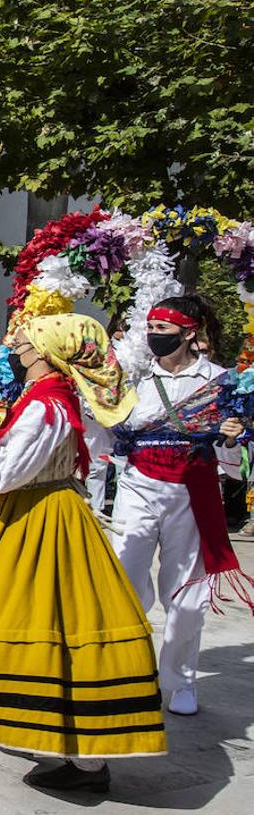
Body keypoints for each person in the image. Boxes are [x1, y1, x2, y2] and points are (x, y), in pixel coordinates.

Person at [0, 313, 164, 792]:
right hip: (37, 511)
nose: (18, 349)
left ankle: (82, 755)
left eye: (26, 342)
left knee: (46, 619)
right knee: (52, 618)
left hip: (40, 518)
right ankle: (57, 739)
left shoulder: (47, 406)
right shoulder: (43, 399)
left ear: (48, 352)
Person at [108, 296, 251, 717]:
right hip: (137, 484)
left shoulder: (222, 381)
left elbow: (235, 454)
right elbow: (112, 428)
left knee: (187, 595)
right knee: (125, 577)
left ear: (190, 333)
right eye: (150, 327)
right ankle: (127, 673)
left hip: (192, 490)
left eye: (164, 330)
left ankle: (180, 680)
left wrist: (230, 437)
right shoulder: (133, 376)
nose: (154, 336)